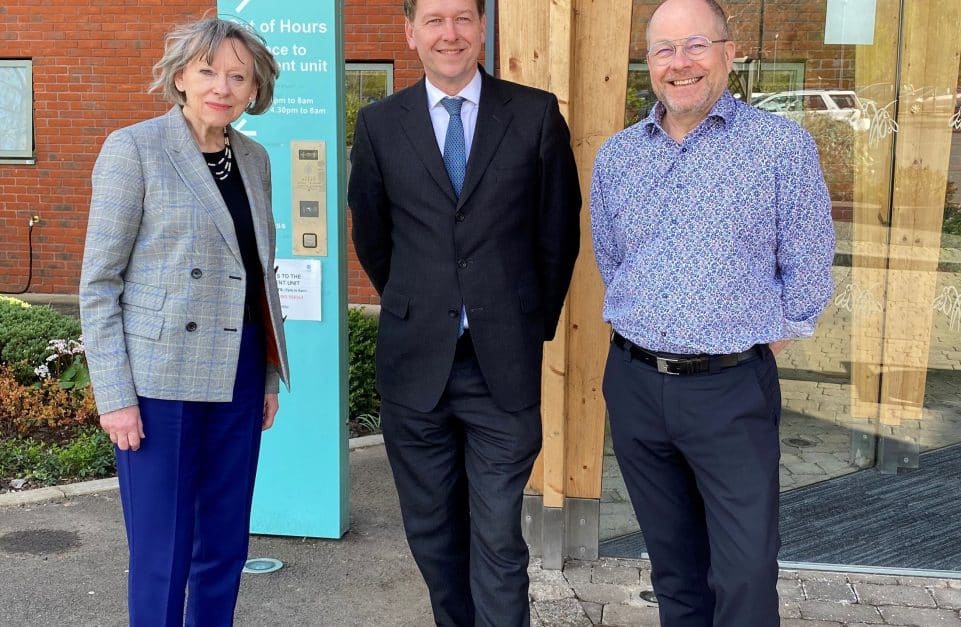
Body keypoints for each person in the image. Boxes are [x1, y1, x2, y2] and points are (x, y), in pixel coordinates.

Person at [590, 0, 835, 625]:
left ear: (728, 53)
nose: (681, 63)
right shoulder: (618, 157)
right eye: (665, 49)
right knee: (675, 571)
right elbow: (613, 260)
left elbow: (808, 264)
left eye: (696, 45)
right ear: (649, 63)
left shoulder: (779, 146)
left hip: (731, 390)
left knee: (745, 572)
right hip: (636, 385)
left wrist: (756, 339)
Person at [348, 0, 581, 624]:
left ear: (482, 27)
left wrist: (528, 324)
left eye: (462, 18)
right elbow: (372, 235)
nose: (448, 33)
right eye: (434, 20)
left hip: (501, 368)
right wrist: (419, 304)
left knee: (498, 539)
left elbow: (558, 234)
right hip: (415, 368)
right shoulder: (379, 124)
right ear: (411, 33)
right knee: (433, 538)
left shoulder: (534, 114)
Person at [79, 17, 288, 626]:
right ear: (179, 78)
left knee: (225, 544)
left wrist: (267, 376)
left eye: (238, 76)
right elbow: (100, 283)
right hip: (157, 382)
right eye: (207, 71)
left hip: (239, 373)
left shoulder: (254, 159)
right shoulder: (134, 149)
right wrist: (115, 396)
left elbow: (258, 275)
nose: (222, 86)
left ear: (255, 89)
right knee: (161, 553)